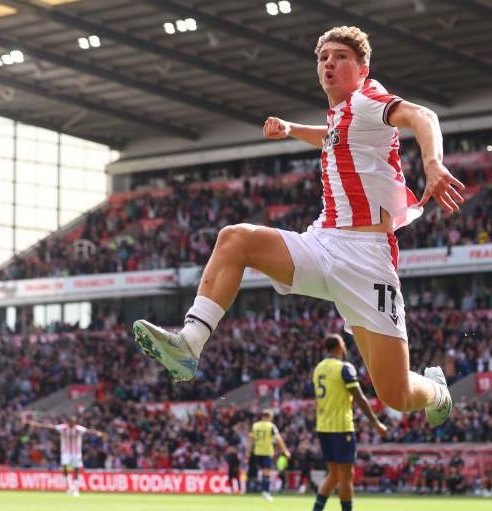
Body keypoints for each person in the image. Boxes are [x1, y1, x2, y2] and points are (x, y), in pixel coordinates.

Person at [132, 25, 461, 428]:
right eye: (323, 58)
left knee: (396, 394)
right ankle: (189, 344)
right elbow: (331, 136)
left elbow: (422, 115)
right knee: (235, 239)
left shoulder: (368, 98)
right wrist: (290, 129)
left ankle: (438, 391)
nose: (329, 63)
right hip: (322, 244)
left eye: (340, 56)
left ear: (362, 68)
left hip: (366, 263)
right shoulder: (343, 117)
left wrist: (432, 164)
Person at [312, 333, 388, 511]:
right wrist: (376, 423)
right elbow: (360, 398)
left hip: (323, 427)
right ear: (339, 346)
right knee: (346, 477)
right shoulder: (345, 368)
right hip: (341, 428)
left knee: (334, 475)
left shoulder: (318, 369)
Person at [26, 416, 106, 497]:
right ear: (68, 422)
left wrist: (97, 433)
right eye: (70, 422)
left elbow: (88, 431)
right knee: (65, 467)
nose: (71, 424)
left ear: (75, 422)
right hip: (66, 452)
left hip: (76, 453)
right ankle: (69, 486)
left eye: (73, 422)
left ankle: (75, 489)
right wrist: (37, 425)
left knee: (76, 470)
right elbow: (51, 427)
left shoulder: (78, 429)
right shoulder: (63, 428)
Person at [249, 410, 291, 501]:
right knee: (266, 472)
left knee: (262, 471)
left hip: (257, 451)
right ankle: (266, 492)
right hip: (267, 451)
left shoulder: (255, 426)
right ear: (269, 417)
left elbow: (251, 439)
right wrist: (285, 450)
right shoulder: (271, 426)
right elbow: (279, 439)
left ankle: (262, 490)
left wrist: (248, 452)